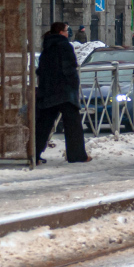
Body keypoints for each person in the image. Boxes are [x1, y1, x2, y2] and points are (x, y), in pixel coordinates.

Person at [34, 22, 90, 164]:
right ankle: (77, 155)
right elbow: (69, 68)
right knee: (73, 125)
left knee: (43, 125)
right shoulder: (65, 46)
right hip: (64, 91)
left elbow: (41, 69)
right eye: (66, 30)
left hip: (47, 91)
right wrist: (72, 83)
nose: (68, 33)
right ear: (60, 32)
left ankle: (34, 154)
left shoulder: (46, 46)